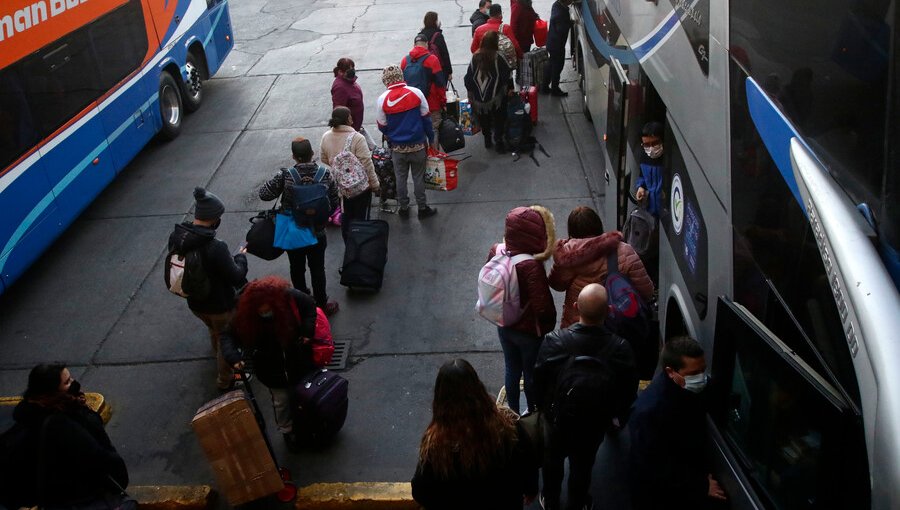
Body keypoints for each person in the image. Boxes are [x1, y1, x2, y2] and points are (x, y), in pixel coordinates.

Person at [533, 284, 638, 510]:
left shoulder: (554, 341)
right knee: (583, 465)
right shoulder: (620, 347)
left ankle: (551, 500)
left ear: (575, 307)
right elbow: (628, 389)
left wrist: (543, 409)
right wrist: (615, 416)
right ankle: (577, 502)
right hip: (594, 422)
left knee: (552, 462)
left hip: (556, 419)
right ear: (609, 310)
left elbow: (538, 380)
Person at [411, 359, 539, 509]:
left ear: (439, 396)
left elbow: (421, 491)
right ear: (478, 387)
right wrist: (530, 489)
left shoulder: (435, 444)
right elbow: (528, 462)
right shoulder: (508, 427)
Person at [3, 364, 129, 508]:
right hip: (79, 498)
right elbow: (102, 460)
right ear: (51, 392)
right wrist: (82, 410)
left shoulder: (26, 418)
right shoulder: (65, 425)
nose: (74, 383)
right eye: (67, 382)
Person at [220, 276, 319, 452]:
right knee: (281, 402)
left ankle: (308, 422)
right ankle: (287, 430)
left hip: (299, 362)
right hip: (272, 371)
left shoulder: (288, 296)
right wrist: (234, 357)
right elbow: (227, 336)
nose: (265, 311)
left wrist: (307, 331)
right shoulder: (244, 316)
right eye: (261, 310)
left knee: (303, 394)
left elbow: (310, 305)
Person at [628, 336, 728, 510]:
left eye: (703, 370)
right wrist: (700, 485)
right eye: (693, 374)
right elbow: (652, 465)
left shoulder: (687, 388)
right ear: (670, 372)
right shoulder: (648, 412)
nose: (701, 377)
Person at [168, 187, 249, 391]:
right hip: (219, 305)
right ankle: (225, 378)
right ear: (213, 218)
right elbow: (236, 276)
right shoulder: (215, 246)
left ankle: (216, 349)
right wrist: (240, 256)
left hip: (195, 302)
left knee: (214, 330)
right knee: (226, 340)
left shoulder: (178, 237)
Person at [487, 205, 557, 414]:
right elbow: (543, 307)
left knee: (511, 368)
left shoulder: (496, 250)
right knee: (530, 373)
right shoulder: (530, 265)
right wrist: (546, 327)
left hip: (504, 324)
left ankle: (513, 412)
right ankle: (532, 412)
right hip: (528, 332)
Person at [259, 138, 340, 316]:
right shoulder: (324, 174)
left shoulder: (286, 175)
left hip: (293, 232)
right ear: (312, 154)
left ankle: (302, 302)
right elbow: (334, 202)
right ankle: (322, 303)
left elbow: (264, 195)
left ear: (294, 156)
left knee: (296, 267)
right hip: (317, 232)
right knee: (318, 269)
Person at [548, 206, 653, 328]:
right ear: (598, 226)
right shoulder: (624, 251)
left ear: (571, 231)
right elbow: (647, 291)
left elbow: (557, 285)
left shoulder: (566, 257)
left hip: (579, 324)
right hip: (617, 325)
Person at [376, 65, 437, 219]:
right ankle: (422, 208)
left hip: (397, 148)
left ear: (385, 80)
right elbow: (426, 119)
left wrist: (393, 134)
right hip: (417, 145)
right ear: (401, 76)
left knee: (400, 178)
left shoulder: (382, 99)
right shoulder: (416, 92)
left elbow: (382, 126)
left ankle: (403, 208)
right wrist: (431, 138)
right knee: (418, 177)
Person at [319, 106, 380, 240]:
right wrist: (374, 183)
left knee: (346, 213)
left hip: (340, 185)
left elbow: (323, 158)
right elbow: (367, 163)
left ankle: (348, 242)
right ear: (348, 119)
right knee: (361, 216)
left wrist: (339, 170)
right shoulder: (357, 138)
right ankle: (360, 244)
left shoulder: (326, 136)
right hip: (360, 187)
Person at [464, 31, 514, 153]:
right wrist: (509, 88)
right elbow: (507, 75)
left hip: (478, 98)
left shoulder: (475, 57)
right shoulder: (498, 57)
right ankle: (499, 142)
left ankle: (487, 138)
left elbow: (469, 77)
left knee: (483, 118)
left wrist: (470, 92)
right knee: (499, 119)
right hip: (496, 97)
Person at [401, 33, 448, 134]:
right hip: (431, 104)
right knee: (433, 130)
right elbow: (440, 84)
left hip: (412, 104)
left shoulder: (405, 61)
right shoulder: (433, 59)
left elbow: (402, 84)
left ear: (414, 45)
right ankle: (433, 150)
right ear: (426, 44)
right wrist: (443, 102)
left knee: (417, 130)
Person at [543, 0, 573, 96]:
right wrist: (569, 24)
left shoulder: (556, 5)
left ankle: (544, 86)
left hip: (552, 42)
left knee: (551, 64)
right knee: (558, 66)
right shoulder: (561, 12)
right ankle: (555, 89)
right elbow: (561, 28)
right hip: (557, 45)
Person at [635, 121, 665, 219]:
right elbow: (642, 176)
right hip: (650, 210)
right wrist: (641, 188)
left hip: (664, 211)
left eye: (655, 143)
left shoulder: (669, 159)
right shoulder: (644, 157)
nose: (651, 148)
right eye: (647, 145)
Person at [331, 57, 365, 132]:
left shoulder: (349, 81)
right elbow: (339, 111)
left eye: (353, 68)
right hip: (350, 129)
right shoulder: (340, 88)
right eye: (349, 70)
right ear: (340, 72)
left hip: (356, 125)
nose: (352, 71)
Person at [420, 12, 453, 83]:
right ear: (435, 22)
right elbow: (445, 54)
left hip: (424, 70)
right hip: (439, 70)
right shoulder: (438, 36)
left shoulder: (420, 36)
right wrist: (449, 72)